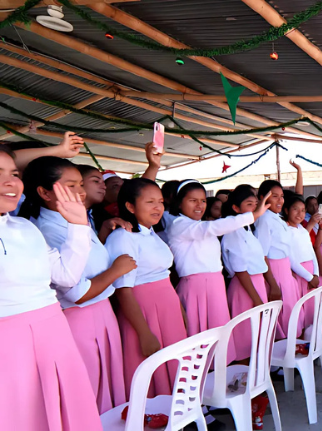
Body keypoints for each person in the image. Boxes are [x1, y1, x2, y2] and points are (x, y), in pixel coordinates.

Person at [0, 145, 102, 430]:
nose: (10, 182)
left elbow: (66, 275)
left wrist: (79, 226)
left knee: (66, 409)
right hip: (8, 341)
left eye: (14, 174)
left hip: (54, 328)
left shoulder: (25, 227)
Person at [24, 157, 136, 414]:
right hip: (80, 318)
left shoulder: (77, 220)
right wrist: (116, 271)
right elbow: (77, 292)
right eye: (71, 185)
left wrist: (102, 234)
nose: (80, 192)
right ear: (44, 192)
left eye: (79, 184)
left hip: (101, 312)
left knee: (108, 385)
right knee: (90, 392)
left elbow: (87, 261)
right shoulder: (48, 230)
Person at [165, 180, 268, 359]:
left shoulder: (199, 226)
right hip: (196, 287)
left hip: (215, 285)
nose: (199, 205)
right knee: (200, 340)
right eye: (192, 200)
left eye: (203, 200)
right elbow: (214, 227)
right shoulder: (179, 224)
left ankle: (220, 378)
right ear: (179, 203)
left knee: (219, 338)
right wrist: (254, 214)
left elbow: (214, 226)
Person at [104, 178, 188, 398]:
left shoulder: (152, 234)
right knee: (151, 367)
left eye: (160, 201)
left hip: (168, 307)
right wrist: (143, 332)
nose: (158, 207)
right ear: (130, 206)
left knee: (174, 363)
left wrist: (182, 315)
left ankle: (179, 415)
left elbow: (166, 278)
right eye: (150, 202)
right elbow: (123, 290)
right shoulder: (122, 237)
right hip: (143, 312)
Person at [220, 186, 272, 360]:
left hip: (255, 284)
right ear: (236, 208)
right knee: (245, 335)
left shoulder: (247, 229)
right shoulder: (234, 231)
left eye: (256, 204)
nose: (255, 209)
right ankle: (244, 376)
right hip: (245, 288)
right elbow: (240, 270)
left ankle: (258, 374)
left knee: (257, 332)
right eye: (249, 204)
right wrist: (257, 299)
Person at [254, 180, 302, 339]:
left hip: (284, 269)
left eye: (281, 196)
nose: (280, 200)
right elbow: (262, 254)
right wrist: (273, 284)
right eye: (275, 196)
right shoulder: (264, 219)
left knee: (290, 310)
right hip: (274, 271)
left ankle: (292, 351)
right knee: (282, 313)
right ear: (263, 197)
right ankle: (282, 354)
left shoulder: (276, 217)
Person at [283, 192, 322, 326]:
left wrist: (315, 274)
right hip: (300, 274)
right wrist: (309, 277)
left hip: (310, 272)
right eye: (295, 209)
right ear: (287, 210)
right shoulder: (285, 231)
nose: (300, 214)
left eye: (303, 210)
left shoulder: (302, 229)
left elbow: (312, 253)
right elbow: (291, 259)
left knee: (311, 308)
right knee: (300, 307)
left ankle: (309, 336)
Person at [77, 164, 133, 242]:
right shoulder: (64, 216)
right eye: (96, 181)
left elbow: (96, 249)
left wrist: (105, 227)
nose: (104, 187)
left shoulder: (89, 215)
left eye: (103, 183)